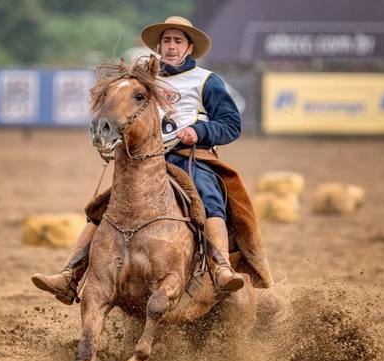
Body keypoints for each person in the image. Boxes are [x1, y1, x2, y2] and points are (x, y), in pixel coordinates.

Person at [31, 16, 248, 303]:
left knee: (209, 199)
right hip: (143, 161)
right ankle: (70, 275)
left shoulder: (207, 81)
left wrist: (200, 131)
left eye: (177, 41)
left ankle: (220, 268)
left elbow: (232, 124)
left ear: (189, 47)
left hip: (190, 159)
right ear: (159, 45)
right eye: (167, 41)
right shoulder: (143, 81)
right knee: (103, 208)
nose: (171, 46)